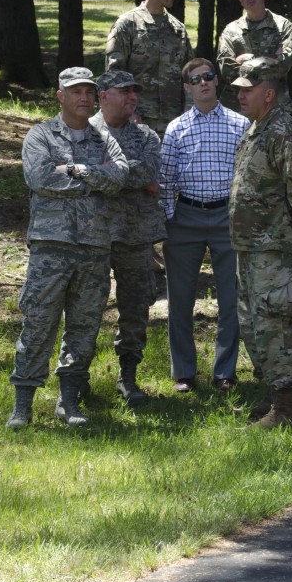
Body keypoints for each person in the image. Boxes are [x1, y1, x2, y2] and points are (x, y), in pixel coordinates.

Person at [6, 68, 128, 429]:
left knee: (84, 327)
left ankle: (69, 401)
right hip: (51, 247)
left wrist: (75, 170)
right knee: (39, 324)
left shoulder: (104, 139)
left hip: (93, 248)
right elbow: (41, 178)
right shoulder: (40, 135)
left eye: (90, 92)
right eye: (76, 91)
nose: (85, 98)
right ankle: (23, 404)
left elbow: (120, 176)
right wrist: (94, 179)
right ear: (60, 96)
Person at [229, 56, 292, 427]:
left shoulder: (286, 132)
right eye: (237, 90)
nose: (240, 96)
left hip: (273, 246)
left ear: (268, 94)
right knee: (252, 324)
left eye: (246, 90)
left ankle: (284, 408)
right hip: (249, 246)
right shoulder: (255, 130)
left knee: (274, 323)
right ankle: (270, 395)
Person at [159, 58, 249, 394]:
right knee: (180, 299)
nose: (203, 83)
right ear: (187, 87)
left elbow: (248, 173)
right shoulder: (176, 128)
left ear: (217, 81)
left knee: (231, 299)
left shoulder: (240, 125)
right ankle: (184, 371)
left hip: (228, 217)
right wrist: (169, 218)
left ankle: (224, 371)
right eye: (195, 80)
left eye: (208, 77)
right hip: (185, 218)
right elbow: (166, 179)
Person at [90, 70, 166, 406]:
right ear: (104, 95)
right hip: (93, 235)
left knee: (136, 309)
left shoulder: (147, 135)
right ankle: (76, 381)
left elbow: (149, 171)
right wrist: (124, 173)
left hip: (136, 236)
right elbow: (80, 171)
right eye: (124, 91)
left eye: (135, 91)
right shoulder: (83, 132)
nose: (133, 97)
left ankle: (128, 377)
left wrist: (105, 171)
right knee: (86, 309)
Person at [105, 0, 194, 136]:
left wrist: (189, 113)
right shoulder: (128, 24)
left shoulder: (178, 29)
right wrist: (128, 112)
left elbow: (189, 75)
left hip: (174, 124)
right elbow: (114, 74)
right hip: (136, 122)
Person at [217, 0, 292, 114]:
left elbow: (285, 63)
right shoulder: (231, 30)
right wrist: (270, 60)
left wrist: (242, 61)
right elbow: (227, 69)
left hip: (275, 104)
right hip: (239, 106)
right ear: (240, 0)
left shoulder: (283, 26)